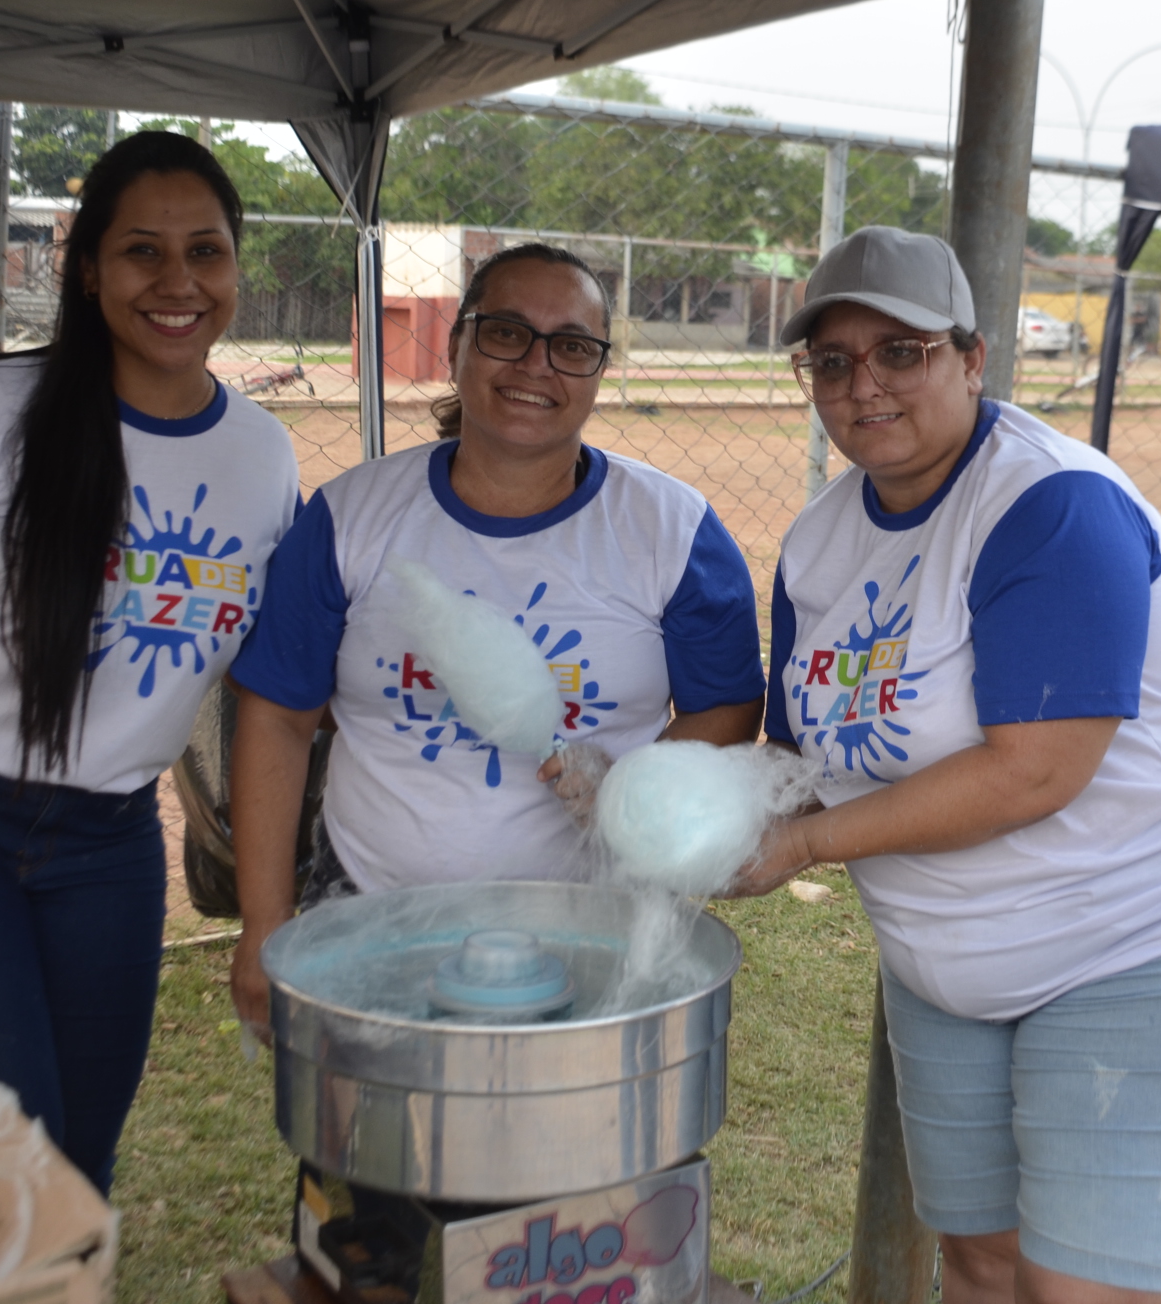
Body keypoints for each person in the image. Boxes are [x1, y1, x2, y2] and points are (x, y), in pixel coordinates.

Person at [732, 226, 1161, 1304]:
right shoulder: (822, 538)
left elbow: (1035, 772)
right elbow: (795, 749)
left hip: (1135, 940)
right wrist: (651, 803)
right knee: (976, 1261)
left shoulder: (1050, 505)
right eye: (830, 360)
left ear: (972, 359)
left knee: (1075, 1290)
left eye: (900, 352)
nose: (862, 383)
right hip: (949, 970)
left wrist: (801, 845)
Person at [0, 130, 299, 1191]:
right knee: (3, 1146)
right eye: (142, 252)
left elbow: (265, 696)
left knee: (80, 1157)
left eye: (206, 252)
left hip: (111, 840)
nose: (179, 283)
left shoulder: (262, 453)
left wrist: (268, 916)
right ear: (87, 268)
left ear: (237, 267)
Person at [225, 242, 765, 1030]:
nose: (536, 365)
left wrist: (629, 792)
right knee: (365, 1147)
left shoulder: (671, 530)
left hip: (593, 923)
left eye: (572, 346)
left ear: (599, 370)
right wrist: (263, 926)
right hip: (366, 908)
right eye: (506, 332)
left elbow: (727, 708)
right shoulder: (352, 516)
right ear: (457, 346)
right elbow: (276, 715)